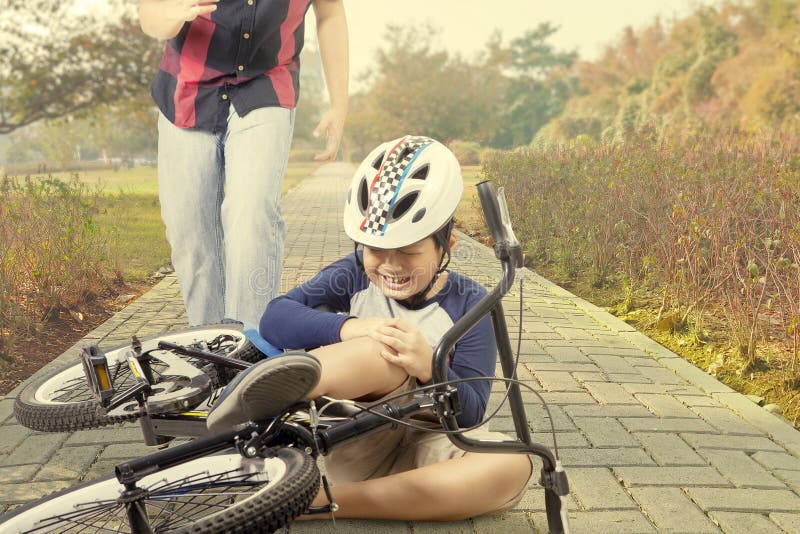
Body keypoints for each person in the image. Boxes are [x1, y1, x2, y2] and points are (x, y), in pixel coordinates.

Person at [207, 135, 532, 521]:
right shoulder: (354, 275)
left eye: (410, 253)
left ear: (448, 246)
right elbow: (277, 316)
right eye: (376, 251)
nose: (391, 267)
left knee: (518, 462)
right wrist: (349, 328)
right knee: (381, 349)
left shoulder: (471, 303)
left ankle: (313, 502)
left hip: (435, 445)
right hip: (364, 438)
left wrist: (430, 365)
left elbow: (474, 412)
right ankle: (252, 402)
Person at [138, 0, 348, 326]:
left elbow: (331, 12)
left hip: (267, 82)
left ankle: (250, 349)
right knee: (190, 231)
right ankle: (208, 345)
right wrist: (172, 15)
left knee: (251, 215)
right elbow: (150, 15)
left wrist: (339, 104)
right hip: (187, 87)